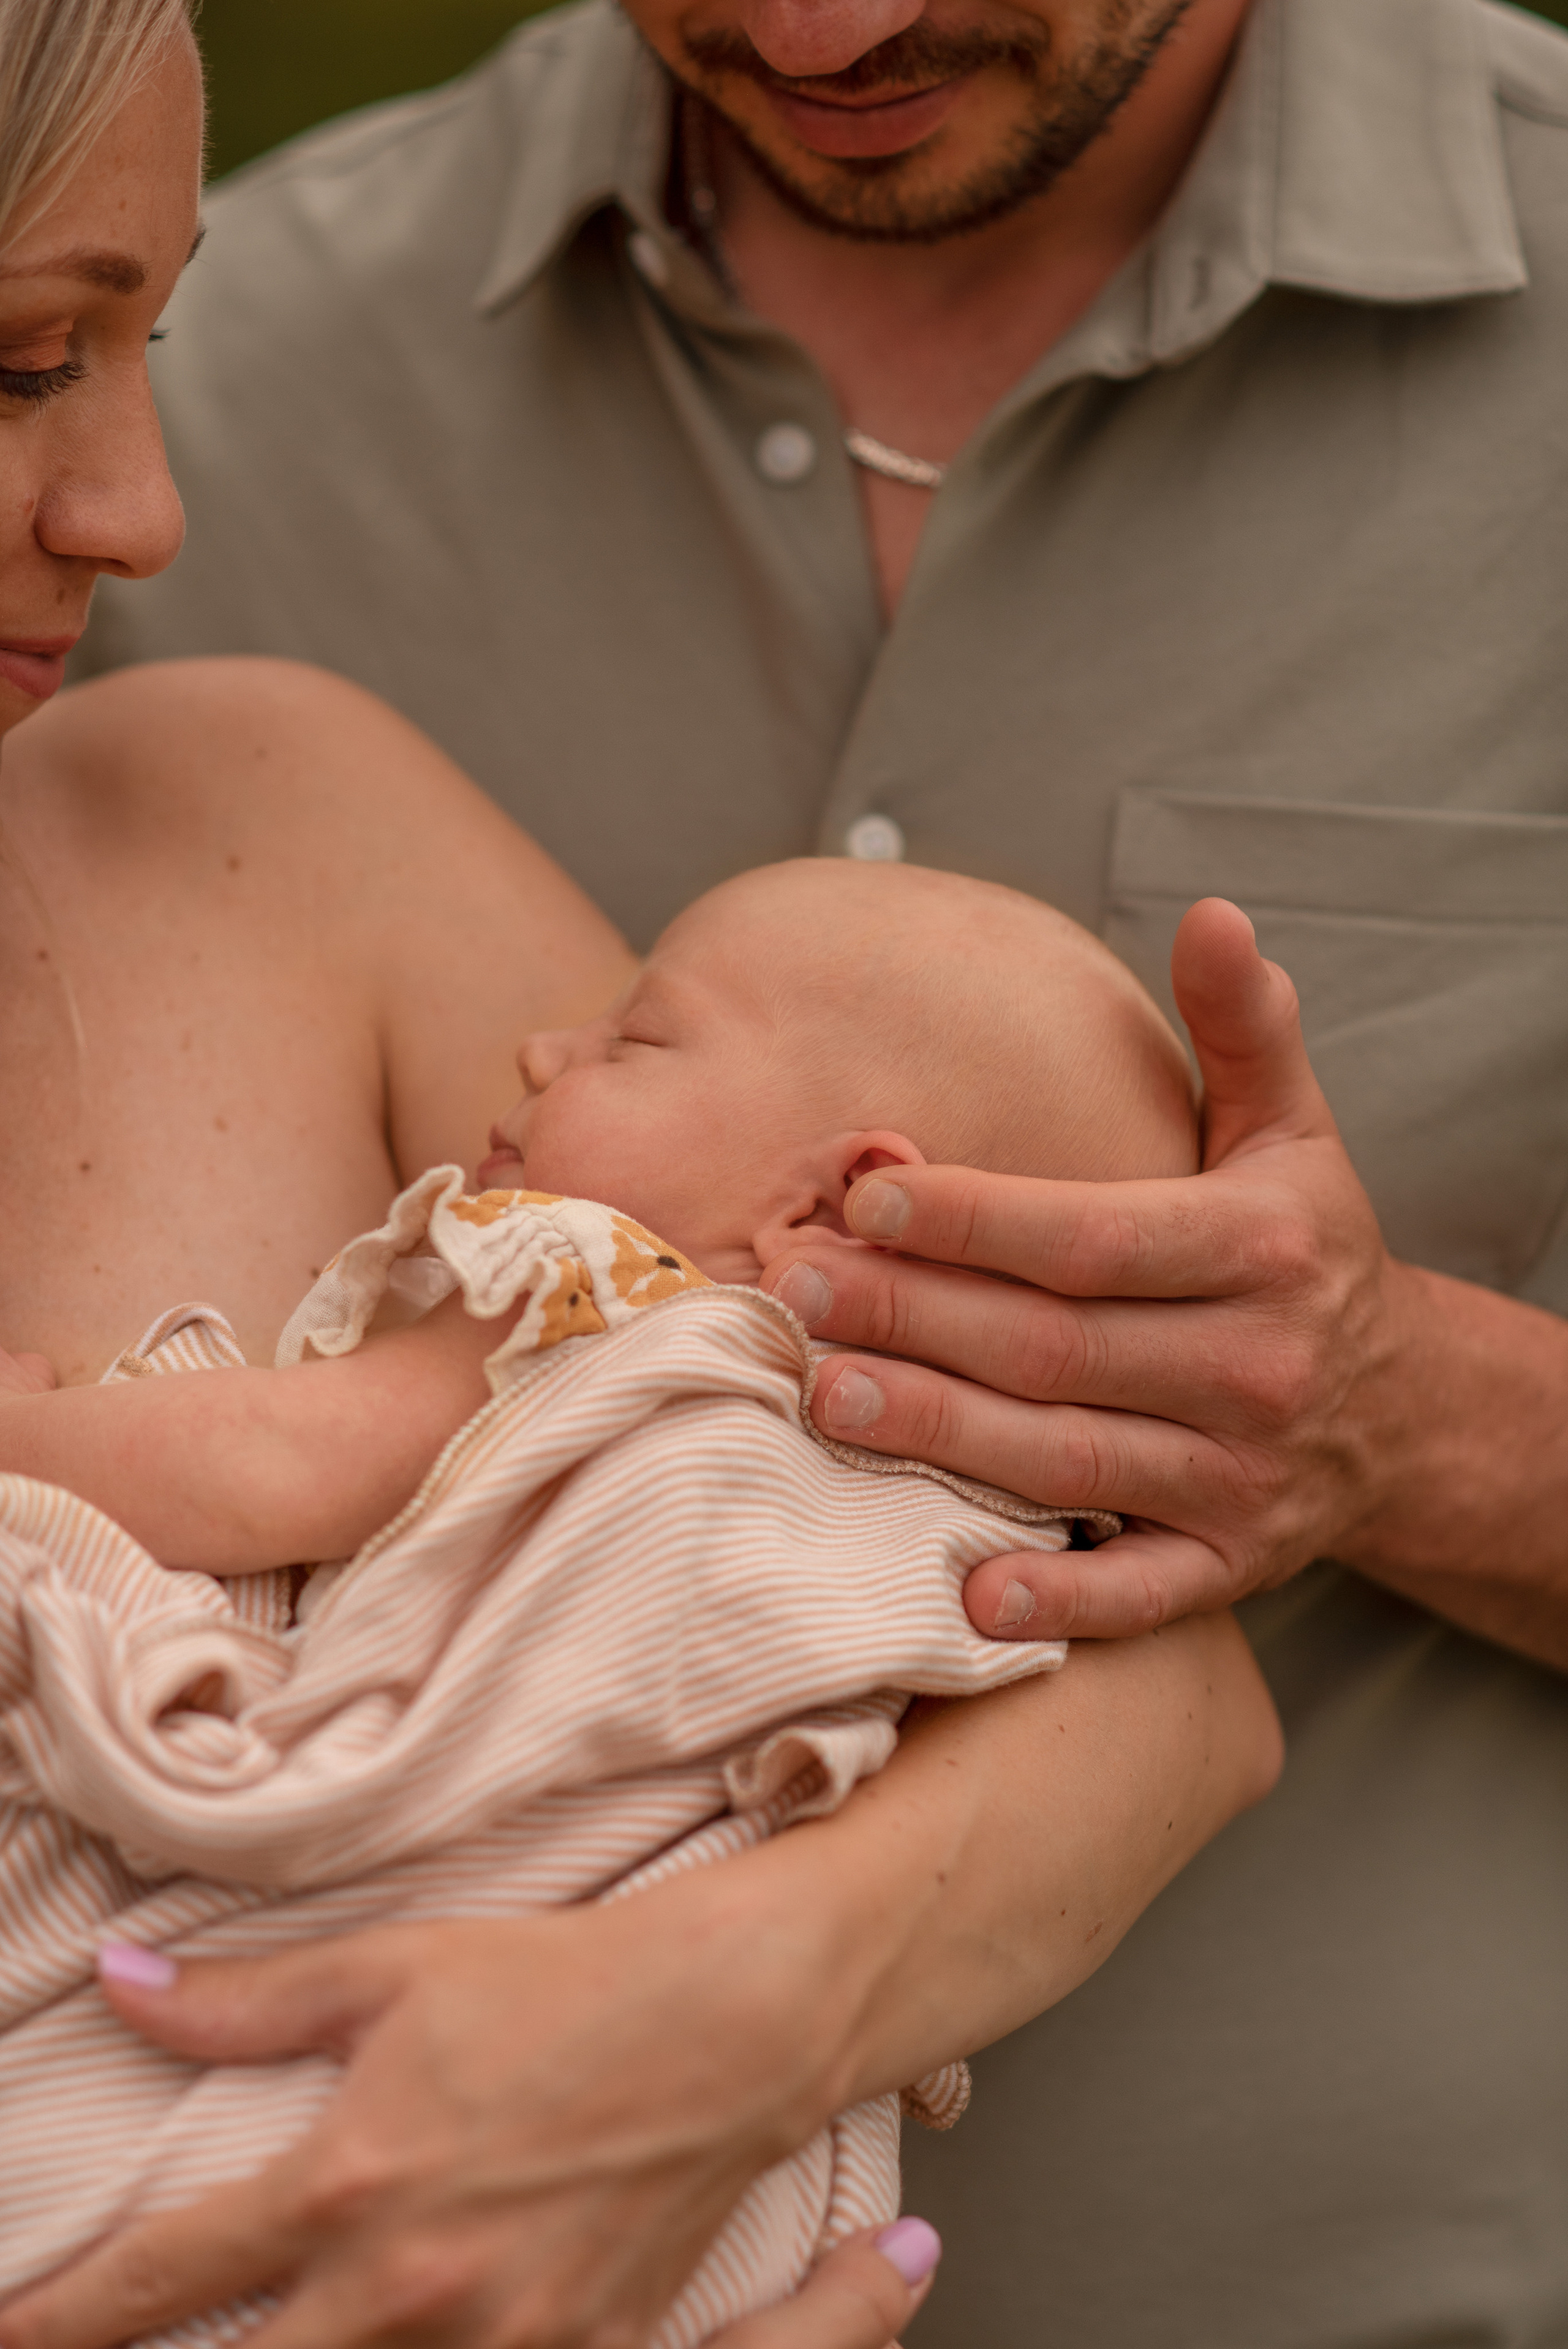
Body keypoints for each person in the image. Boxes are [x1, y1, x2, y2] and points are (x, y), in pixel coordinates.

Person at [53, 0, 1568, 2335]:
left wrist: (1404, 1412)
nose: (824, 21)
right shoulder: (238, 347)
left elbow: (1158, 1697)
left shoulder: (242, 749)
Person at [0, 860, 1204, 2349]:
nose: (539, 1050)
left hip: (346, 2007)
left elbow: (263, 1467)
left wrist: (32, 1445)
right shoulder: (990, 1509)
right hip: (705, 2240)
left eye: (631, 1040)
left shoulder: (607, 1299)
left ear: (840, 1201)